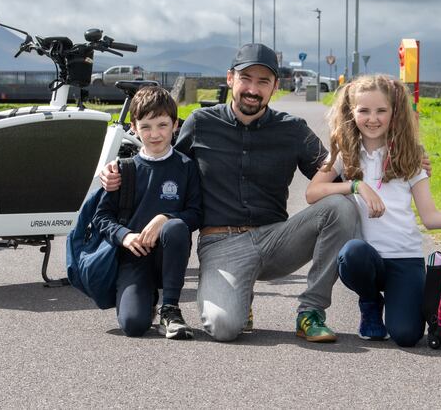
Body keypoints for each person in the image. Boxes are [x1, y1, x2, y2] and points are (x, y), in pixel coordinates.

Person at [102, 43, 358, 343]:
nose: (253, 88)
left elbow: (335, 174)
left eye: (263, 81)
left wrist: (395, 165)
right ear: (229, 79)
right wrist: (119, 170)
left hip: (276, 239)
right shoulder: (200, 124)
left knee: (341, 207)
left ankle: (310, 311)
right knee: (224, 328)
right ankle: (239, 296)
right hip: (221, 242)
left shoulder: (293, 130)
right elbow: (166, 165)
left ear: (276, 86)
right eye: (246, 79)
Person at [305, 74, 441, 347]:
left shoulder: (410, 157)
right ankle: (371, 300)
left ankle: (397, 301)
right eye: (363, 110)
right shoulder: (344, 153)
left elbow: (430, 218)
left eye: (381, 111)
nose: (372, 119)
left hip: (405, 258)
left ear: (394, 113)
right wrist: (355, 186)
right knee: (352, 254)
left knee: (407, 335)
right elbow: (312, 193)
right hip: (368, 257)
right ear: (351, 112)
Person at [93, 86, 202, 340]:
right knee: (133, 325)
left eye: (163, 125)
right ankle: (147, 298)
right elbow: (101, 217)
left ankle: (171, 308)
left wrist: (167, 218)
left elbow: (197, 213)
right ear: (134, 127)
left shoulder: (186, 167)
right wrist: (124, 236)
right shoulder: (123, 169)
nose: (155, 134)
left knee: (175, 227)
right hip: (134, 256)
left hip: (168, 253)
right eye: (146, 126)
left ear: (175, 125)